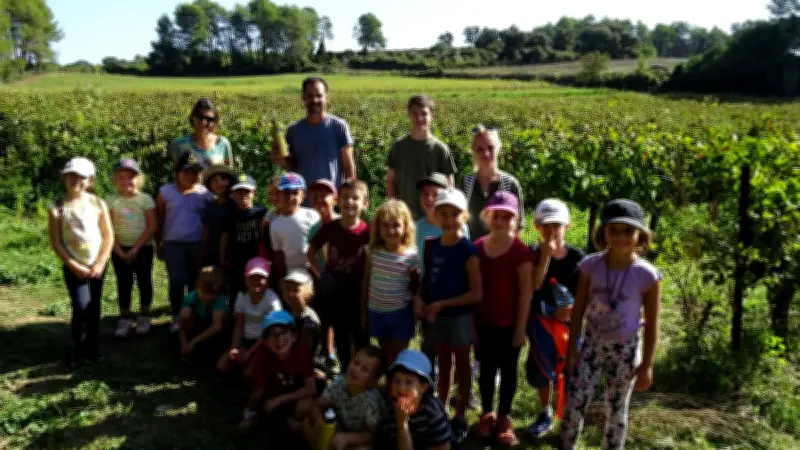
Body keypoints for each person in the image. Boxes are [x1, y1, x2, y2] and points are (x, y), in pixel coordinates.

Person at [560, 199, 663, 450]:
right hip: (591, 347)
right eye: (613, 229)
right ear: (602, 231)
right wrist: (572, 347)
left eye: (628, 230)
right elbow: (579, 309)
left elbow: (652, 324)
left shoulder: (647, 275)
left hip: (625, 351)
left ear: (640, 235)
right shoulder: (589, 266)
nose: (620, 237)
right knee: (575, 404)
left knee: (616, 411)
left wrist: (647, 364)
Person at [414, 188, 482, 443]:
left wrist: (444, 303)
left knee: (462, 366)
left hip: (459, 317)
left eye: (454, 215)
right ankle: (440, 410)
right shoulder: (431, 245)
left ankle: (461, 415)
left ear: (464, 217)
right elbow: (426, 279)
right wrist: (420, 298)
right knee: (443, 364)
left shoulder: (468, 250)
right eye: (443, 214)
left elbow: (476, 293)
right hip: (435, 315)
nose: (448, 220)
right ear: (436, 215)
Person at [472, 192, 533, 446]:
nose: (501, 220)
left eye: (507, 216)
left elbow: (525, 293)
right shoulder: (476, 247)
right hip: (482, 323)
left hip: (509, 326)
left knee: (508, 371)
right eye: (496, 215)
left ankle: (504, 418)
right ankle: (487, 414)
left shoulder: (520, 252)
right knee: (486, 370)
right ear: (487, 216)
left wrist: (520, 329)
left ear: (515, 220)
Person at [526, 199, 585, 438]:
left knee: (570, 368)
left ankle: (568, 417)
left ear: (567, 226)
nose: (552, 231)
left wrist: (570, 312)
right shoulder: (533, 254)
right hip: (541, 324)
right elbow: (535, 284)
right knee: (540, 368)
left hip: (569, 325)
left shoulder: (577, 258)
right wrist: (546, 257)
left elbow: (584, 294)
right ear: (538, 226)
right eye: (546, 225)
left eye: (557, 226)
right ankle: (545, 411)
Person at [48, 157, 114, 367]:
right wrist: (74, 265)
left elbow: (108, 235)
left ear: (90, 180)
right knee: (80, 306)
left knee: (94, 307)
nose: (76, 180)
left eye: (82, 176)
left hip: (97, 266)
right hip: (74, 266)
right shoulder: (57, 207)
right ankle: (79, 349)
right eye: (72, 175)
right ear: (64, 177)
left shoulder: (98, 203)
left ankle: (93, 348)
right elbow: (57, 242)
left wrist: (101, 263)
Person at [414, 173, 470, 388]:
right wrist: (417, 296)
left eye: (434, 194)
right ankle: (428, 384)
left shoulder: (459, 228)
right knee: (429, 343)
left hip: (455, 297)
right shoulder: (417, 227)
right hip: (427, 293)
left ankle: (460, 389)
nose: (429, 198)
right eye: (425, 194)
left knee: (455, 350)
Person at [307, 179, 370, 370]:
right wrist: (322, 273)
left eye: (355, 198)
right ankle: (344, 369)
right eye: (345, 198)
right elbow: (310, 252)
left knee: (360, 330)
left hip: (359, 288)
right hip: (335, 287)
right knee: (340, 330)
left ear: (365, 203)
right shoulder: (330, 228)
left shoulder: (367, 231)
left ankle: (363, 370)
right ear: (337, 200)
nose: (350, 202)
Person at [271, 77, 355, 199]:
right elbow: (292, 167)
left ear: (326, 97)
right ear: (303, 98)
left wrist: (349, 196)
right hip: (303, 202)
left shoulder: (339, 126)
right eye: (310, 96)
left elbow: (348, 166)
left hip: (332, 201)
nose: (315, 100)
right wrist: (280, 160)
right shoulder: (293, 131)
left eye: (319, 95)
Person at [156, 152, 212, 332]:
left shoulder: (205, 194)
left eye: (196, 172)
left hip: (196, 243)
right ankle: (177, 314)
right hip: (173, 243)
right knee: (178, 280)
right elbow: (160, 219)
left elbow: (207, 222)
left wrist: (205, 245)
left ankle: (194, 313)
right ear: (177, 172)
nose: (191, 176)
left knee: (195, 281)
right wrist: (159, 243)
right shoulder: (165, 192)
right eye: (186, 172)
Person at [362, 199, 420, 365]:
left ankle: (398, 386)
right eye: (385, 225)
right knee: (385, 354)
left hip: (400, 313)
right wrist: (363, 311)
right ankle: (389, 386)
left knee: (399, 355)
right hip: (377, 311)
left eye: (396, 225)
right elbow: (366, 282)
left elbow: (415, 286)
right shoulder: (372, 252)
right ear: (378, 228)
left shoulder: (411, 256)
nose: (391, 230)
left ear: (405, 227)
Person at [241, 310, 316, 434]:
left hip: (293, 396)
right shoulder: (261, 359)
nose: (279, 339)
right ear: (265, 342)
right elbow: (257, 394)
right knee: (286, 425)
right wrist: (250, 413)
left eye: (284, 333)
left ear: (294, 336)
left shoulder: (301, 353)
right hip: (271, 400)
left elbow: (311, 388)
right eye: (273, 335)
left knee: (306, 407)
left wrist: (281, 399)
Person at [107, 158, 157, 338]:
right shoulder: (110, 200)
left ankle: (144, 315)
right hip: (119, 248)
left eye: (131, 177)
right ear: (115, 179)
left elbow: (152, 226)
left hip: (142, 248)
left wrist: (135, 249)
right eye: (121, 177)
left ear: (139, 179)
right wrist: (118, 249)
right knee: (124, 282)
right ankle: (125, 317)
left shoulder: (145, 199)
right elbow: (107, 228)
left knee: (144, 281)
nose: (126, 181)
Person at [386, 95, 458, 220]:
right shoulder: (398, 146)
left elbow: (449, 184)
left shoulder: (440, 149)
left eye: (424, 113)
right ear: (409, 115)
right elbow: (391, 180)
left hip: (434, 218)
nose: (419, 118)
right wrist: (393, 207)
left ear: (432, 116)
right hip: (405, 216)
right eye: (415, 113)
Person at [302, 345, 385, 450]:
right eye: (356, 363)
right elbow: (317, 405)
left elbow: (372, 434)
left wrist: (347, 438)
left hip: (356, 438)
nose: (356, 369)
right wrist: (320, 421)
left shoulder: (371, 401)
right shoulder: (339, 382)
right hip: (337, 428)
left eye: (364, 369)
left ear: (372, 382)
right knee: (306, 423)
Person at [374, 349, 454, 450]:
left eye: (408, 382)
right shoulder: (389, 409)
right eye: (397, 380)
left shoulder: (432, 409)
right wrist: (402, 423)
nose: (401, 388)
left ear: (423, 387)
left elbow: (444, 447)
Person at [218, 257, 281, 374]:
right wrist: (234, 347)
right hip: (246, 340)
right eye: (252, 277)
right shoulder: (241, 297)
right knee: (221, 366)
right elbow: (238, 325)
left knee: (248, 373)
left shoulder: (272, 300)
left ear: (268, 280)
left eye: (260, 278)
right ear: (245, 280)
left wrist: (250, 352)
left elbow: (270, 332)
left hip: (264, 342)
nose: (256, 281)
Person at [460, 126, 524, 240]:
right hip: (470, 250)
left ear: (498, 148)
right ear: (473, 151)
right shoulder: (465, 183)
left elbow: (518, 226)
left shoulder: (510, 183)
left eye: (490, 148)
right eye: (480, 149)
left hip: (501, 250)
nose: (486, 153)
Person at [307, 179, 341, 377]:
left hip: (345, 279)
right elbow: (310, 253)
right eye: (316, 197)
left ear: (334, 199)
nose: (320, 200)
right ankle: (329, 354)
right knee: (326, 317)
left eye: (324, 196)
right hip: (326, 281)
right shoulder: (315, 228)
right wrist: (320, 273)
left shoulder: (341, 222)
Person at [220, 174, 267, 300]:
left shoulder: (262, 212)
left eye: (247, 191)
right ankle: (236, 316)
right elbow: (224, 238)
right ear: (233, 194)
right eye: (239, 191)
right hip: (236, 260)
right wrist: (223, 258)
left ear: (254, 192)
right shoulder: (230, 216)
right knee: (236, 290)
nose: (243, 194)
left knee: (259, 288)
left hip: (257, 258)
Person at [269, 173, 320, 281]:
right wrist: (281, 278)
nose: (290, 197)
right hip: (292, 275)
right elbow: (278, 255)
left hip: (315, 271)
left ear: (303, 196)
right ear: (280, 195)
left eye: (295, 193)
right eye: (286, 193)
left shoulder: (313, 215)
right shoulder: (275, 224)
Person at [178, 266, 227, 365]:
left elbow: (216, 327)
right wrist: (184, 343)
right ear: (197, 287)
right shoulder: (192, 297)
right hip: (197, 326)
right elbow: (181, 321)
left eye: (212, 293)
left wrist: (194, 342)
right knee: (186, 314)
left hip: (213, 332)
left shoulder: (220, 300)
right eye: (204, 293)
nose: (208, 297)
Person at [170, 98, 234, 167]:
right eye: (200, 117)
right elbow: (177, 174)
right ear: (193, 118)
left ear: (215, 121)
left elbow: (228, 172)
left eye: (209, 119)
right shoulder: (179, 145)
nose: (204, 122)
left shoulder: (223, 143)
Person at [280, 269, 323, 369]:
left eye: (295, 290)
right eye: (287, 289)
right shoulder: (289, 313)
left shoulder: (308, 318)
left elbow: (304, 349)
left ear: (307, 293)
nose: (290, 294)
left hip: (302, 363)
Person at [198, 164, 236, 267]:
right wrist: (201, 254)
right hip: (211, 252)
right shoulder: (209, 206)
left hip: (232, 253)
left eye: (223, 179)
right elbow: (206, 231)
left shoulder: (236, 205)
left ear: (230, 181)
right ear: (209, 184)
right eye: (214, 180)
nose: (219, 183)